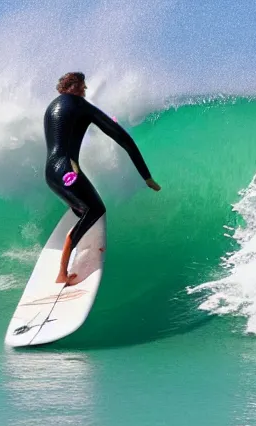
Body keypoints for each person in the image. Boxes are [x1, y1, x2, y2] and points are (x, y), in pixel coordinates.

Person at [44, 71, 161, 285]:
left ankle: (79, 216)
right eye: (82, 86)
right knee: (96, 209)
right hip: (68, 171)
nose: (85, 90)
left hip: (52, 173)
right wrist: (146, 177)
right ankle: (62, 272)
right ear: (74, 86)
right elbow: (124, 140)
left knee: (83, 206)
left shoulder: (52, 107)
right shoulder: (81, 106)